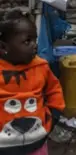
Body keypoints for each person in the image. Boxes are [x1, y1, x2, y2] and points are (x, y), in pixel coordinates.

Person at [0, 11, 65, 155]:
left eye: (35, 40)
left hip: (37, 144)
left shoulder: (41, 66)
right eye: (27, 41)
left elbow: (55, 91)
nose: (35, 45)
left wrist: (53, 116)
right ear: (4, 47)